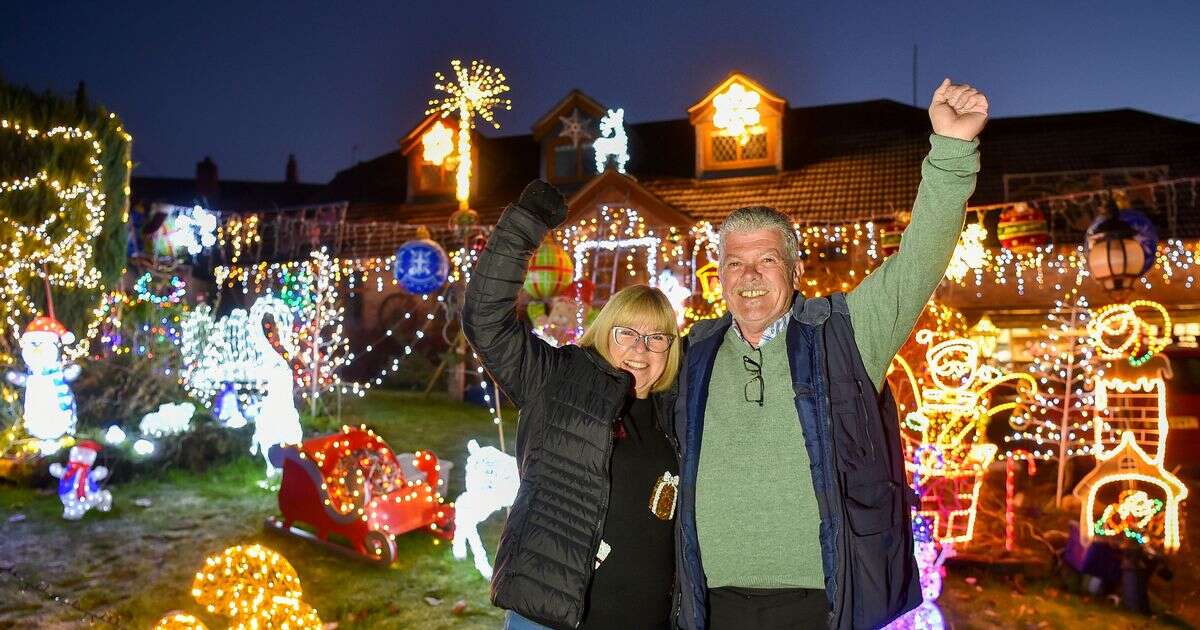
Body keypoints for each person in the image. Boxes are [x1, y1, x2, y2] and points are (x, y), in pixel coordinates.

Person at [672, 78, 989, 630]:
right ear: (718, 273)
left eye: (765, 261)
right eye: (733, 263)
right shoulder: (692, 354)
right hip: (710, 604)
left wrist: (952, 151)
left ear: (794, 272)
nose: (747, 276)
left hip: (820, 603)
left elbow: (919, 259)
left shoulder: (845, 334)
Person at [463, 180, 683, 630]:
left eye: (657, 337)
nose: (641, 349)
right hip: (553, 617)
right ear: (605, 333)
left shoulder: (676, 411)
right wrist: (524, 227)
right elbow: (485, 320)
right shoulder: (557, 379)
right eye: (628, 333)